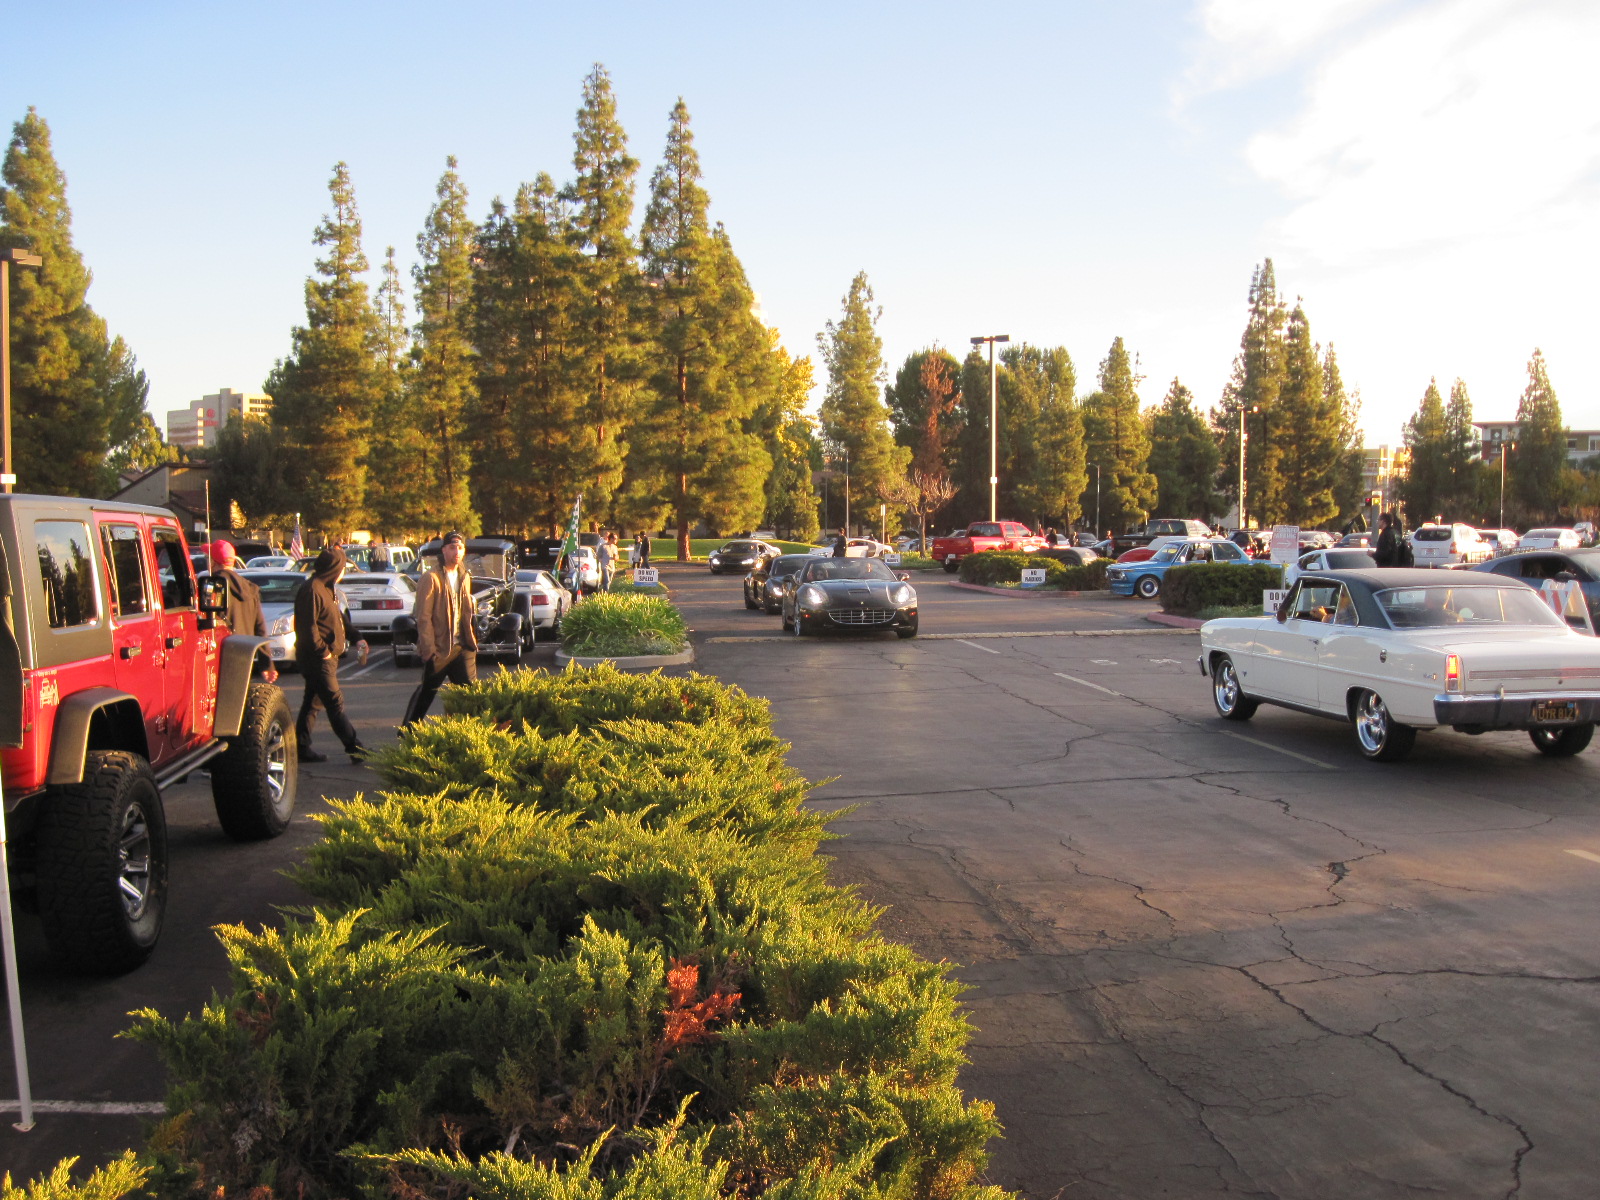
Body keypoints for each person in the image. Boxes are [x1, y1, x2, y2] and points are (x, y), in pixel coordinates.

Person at [293, 545, 368, 763]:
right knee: (335, 703)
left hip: (326, 657)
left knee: (312, 702)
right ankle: (355, 748)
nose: (344, 572)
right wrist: (323, 651)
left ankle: (301, 747)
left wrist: (357, 637)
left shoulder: (327, 588)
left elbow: (338, 619)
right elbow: (307, 628)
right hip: (317, 659)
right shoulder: (311, 590)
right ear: (334, 568)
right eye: (343, 567)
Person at [402, 530, 478, 726]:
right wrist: (429, 649)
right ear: (444, 550)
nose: (457, 552)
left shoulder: (464, 576)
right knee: (427, 692)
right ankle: (408, 731)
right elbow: (423, 616)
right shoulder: (431, 578)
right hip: (440, 648)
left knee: (470, 693)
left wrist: (470, 639)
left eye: (460, 548)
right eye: (452, 548)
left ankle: (472, 733)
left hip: (461, 645)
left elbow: (466, 610)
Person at [211, 540, 277, 683]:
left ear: (212, 561)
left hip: (221, 655)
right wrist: (267, 664)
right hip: (245, 653)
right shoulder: (250, 588)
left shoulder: (214, 587)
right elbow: (260, 628)